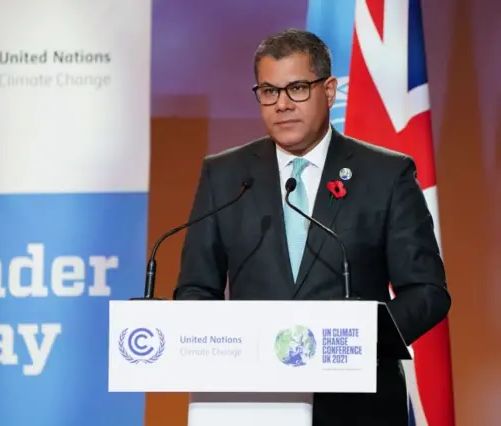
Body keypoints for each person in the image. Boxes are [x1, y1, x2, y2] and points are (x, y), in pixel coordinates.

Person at [172, 28, 451, 425]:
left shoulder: (385, 174)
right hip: (251, 401)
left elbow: (427, 292)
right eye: (269, 92)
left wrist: (356, 340)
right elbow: (196, 289)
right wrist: (227, 345)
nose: (282, 104)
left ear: (330, 90)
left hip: (357, 403)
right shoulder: (225, 175)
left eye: (297, 88)